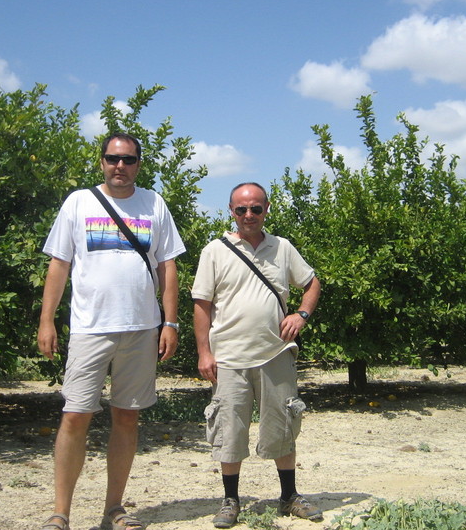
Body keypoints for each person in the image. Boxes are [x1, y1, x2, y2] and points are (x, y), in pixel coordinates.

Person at [37, 132, 185, 530]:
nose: (120, 166)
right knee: (75, 416)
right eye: (113, 159)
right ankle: (60, 512)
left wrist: (169, 322)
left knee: (127, 418)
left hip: (141, 328)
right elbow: (59, 264)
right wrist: (47, 319)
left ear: (139, 163)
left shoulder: (154, 203)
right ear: (101, 161)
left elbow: (167, 266)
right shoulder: (78, 202)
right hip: (90, 328)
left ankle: (114, 510)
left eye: (128, 160)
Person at [191, 182, 322, 528]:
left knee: (282, 426)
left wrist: (301, 314)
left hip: (275, 355)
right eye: (241, 209)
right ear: (230, 211)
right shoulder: (214, 251)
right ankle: (230, 500)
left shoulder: (282, 248)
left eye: (256, 209)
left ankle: (289, 496)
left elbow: (312, 283)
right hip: (229, 357)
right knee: (228, 430)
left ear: (266, 209)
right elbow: (201, 305)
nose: (249, 216)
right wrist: (204, 352)